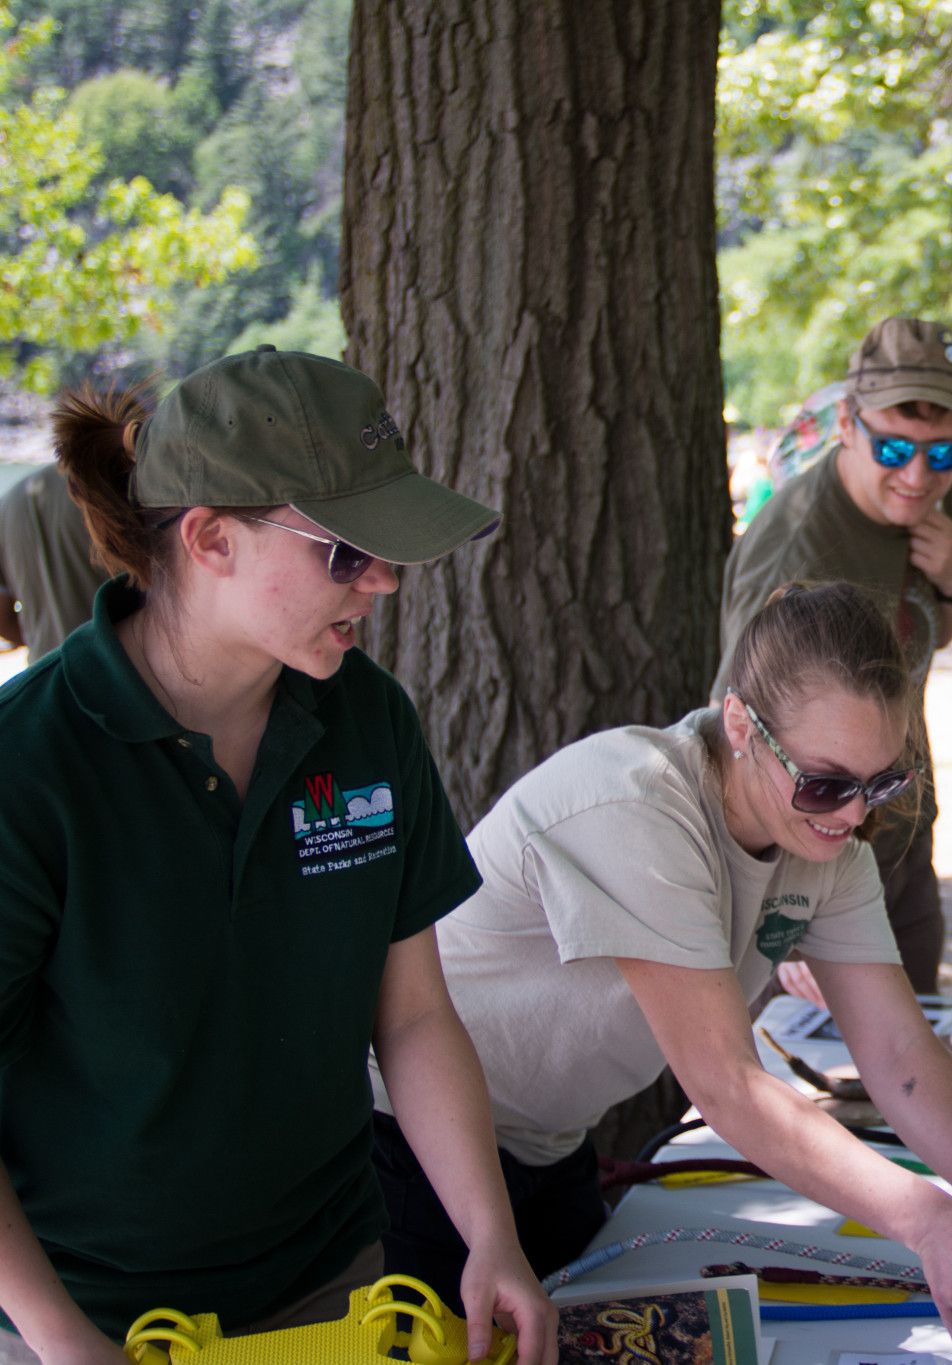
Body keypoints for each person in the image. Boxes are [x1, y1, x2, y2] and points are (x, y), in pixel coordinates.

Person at [370, 582, 952, 1361]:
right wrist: (930, 1218)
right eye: (826, 782)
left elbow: (899, 1053)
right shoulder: (637, 804)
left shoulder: (828, 846)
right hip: (414, 1152)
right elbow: (727, 1086)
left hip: (546, 1150)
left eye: (883, 781)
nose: (853, 814)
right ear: (741, 725)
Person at [0, 352, 554, 1364]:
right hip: (81, 1312)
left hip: (330, 1285)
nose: (384, 580)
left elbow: (415, 1013)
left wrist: (489, 1236)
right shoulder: (29, 762)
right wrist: (59, 1338)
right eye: (347, 552)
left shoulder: (366, 716)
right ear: (210, 537)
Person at [715, 316, 952, 996]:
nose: (918, 475)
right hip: (805, 877)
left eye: (943, 453)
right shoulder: (797, 549)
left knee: (911, 1075)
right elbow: (738, 738)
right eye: (893, 449)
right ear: (845, 424)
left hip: (899, 838)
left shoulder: (937, 511)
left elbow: (922, 638)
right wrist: (787, 911)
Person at [0, 464, 104, 661]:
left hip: (47, 671)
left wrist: (44, 643)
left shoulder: (7, 504)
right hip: (112, 664)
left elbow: (2, 620)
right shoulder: (104, 490)